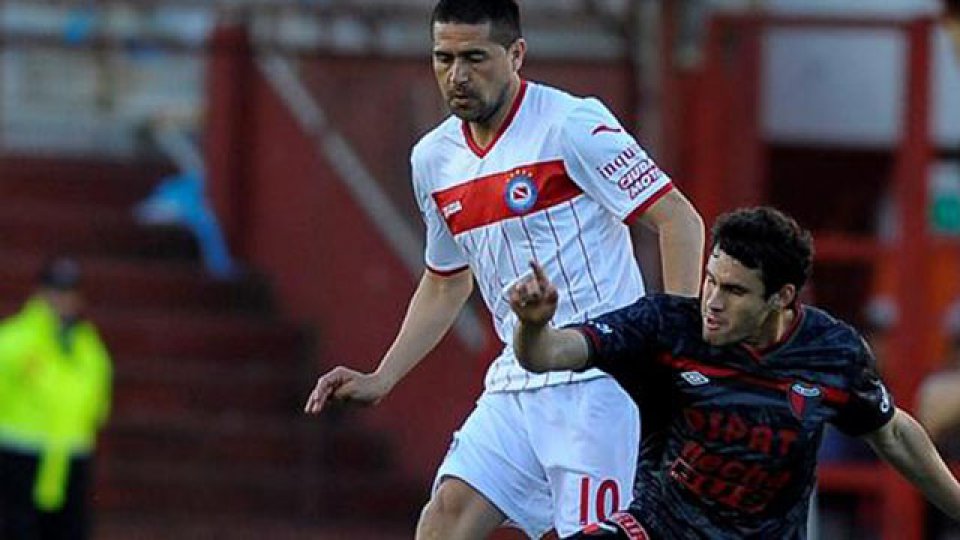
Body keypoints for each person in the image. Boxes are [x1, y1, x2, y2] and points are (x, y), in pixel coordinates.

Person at [304, 0, 705, 537]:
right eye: (443, 58)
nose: (457, 75)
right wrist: (383, 376)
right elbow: (446, 280)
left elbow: (678, 218)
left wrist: (678, 349)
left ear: (516, 54)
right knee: (443, 519)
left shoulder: (573, 124)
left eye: (475, 57)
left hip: (600, 384)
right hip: (515, 383)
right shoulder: (433, 158)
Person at [509, 207, 960, 539]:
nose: (712, 301)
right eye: (710, 280)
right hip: (657, 528)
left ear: (781, 297)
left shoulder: (832, 352)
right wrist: (532, 326)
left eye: (734, 290)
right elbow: (547, 354)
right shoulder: (667, 328)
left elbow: (893, 433)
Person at [0, 257, 113, 540]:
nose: (63, 300)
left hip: (70, 457)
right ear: (40, 292)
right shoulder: (12, 340)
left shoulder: (88, 347)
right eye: (56, 290)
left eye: (69, 292)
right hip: (17, 456)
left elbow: (98, 403)